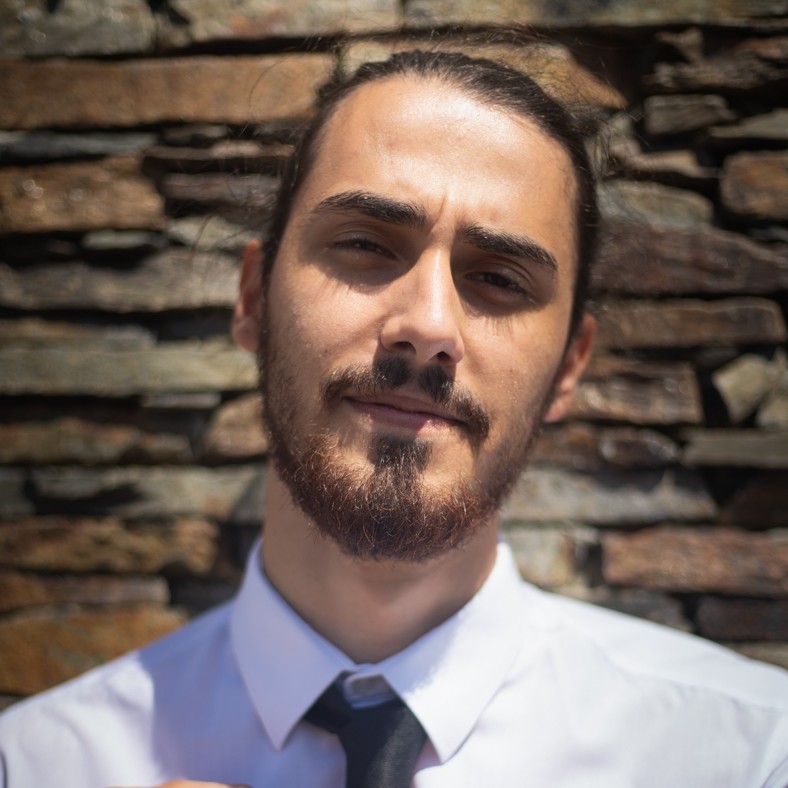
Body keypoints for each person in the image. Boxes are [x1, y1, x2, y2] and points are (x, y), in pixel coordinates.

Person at [1, 48, 787, 788]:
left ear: (569, 367)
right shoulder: (36, 765)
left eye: (500, 278)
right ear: (253, 299)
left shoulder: (749, 756)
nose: (429, 325)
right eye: (365, 244)